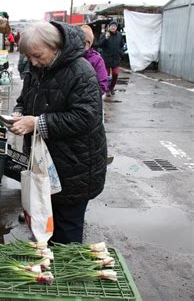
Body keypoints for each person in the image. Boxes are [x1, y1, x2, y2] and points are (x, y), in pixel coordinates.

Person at [10, 21, 107, 244]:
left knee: (66, 232)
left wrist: (37, 123)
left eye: (37, 55)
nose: (33, 62)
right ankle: (49, 267)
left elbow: (86, 117)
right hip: (47, 163)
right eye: (29, 56)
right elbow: (24, 99)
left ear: (56, 48)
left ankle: (66, 276)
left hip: (75, 166)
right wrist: (19, 113)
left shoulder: (81, 72)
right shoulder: (38, 68)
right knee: (46, 223)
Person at [98, 20, 124, 96]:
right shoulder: (105, 34)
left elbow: (122, 45)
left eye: (114, 26)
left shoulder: (119, 35)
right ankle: (107, 90)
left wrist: (120, 53)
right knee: (106, 75)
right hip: (106, 58)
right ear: (109, 27)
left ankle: (111, 88)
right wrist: (105, 38)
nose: (113, 27)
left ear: (116, 27)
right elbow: (100, 45)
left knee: (115, 74)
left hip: (116, 59)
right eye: (111, 26)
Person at [81, 25, 108, 94]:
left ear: (89, 43)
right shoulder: (72, 56)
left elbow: (102, 85)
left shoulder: (97, 60)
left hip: (90, 100)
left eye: (85, 42)